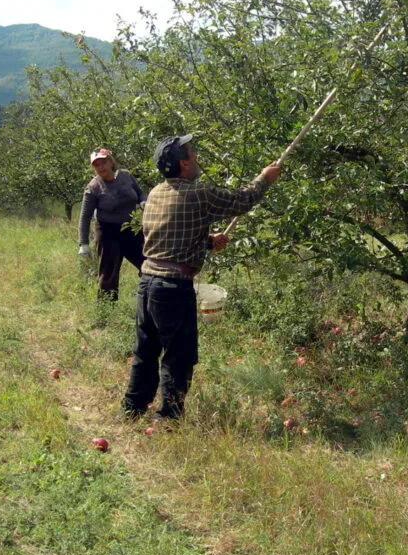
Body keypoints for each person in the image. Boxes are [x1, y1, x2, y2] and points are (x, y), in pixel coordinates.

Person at [121, 134, 281, 422]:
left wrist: (206, 242)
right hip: (172, 288)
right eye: (192, 154)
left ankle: (131, 410)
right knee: (178, 357)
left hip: (147, 283)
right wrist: (265, 178)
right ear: (183, 164)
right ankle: (168, 420)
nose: (196, 158)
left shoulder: (156, 192)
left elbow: (167, 237)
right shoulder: (199, 194)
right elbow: (242, 200)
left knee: (146, 351)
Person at [77, 147, 147, 301]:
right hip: (108, 232)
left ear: (110, 161)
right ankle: (107, 309)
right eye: (97, 165)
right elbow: (85, 217)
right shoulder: (93, 187)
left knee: (148, 263)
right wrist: (83, 243)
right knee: (109, 274)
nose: (101, 167)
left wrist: (143, 201)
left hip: (131, 229)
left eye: (103, 162)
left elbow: (139, 191)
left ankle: (150, 299)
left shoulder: (126, 176)